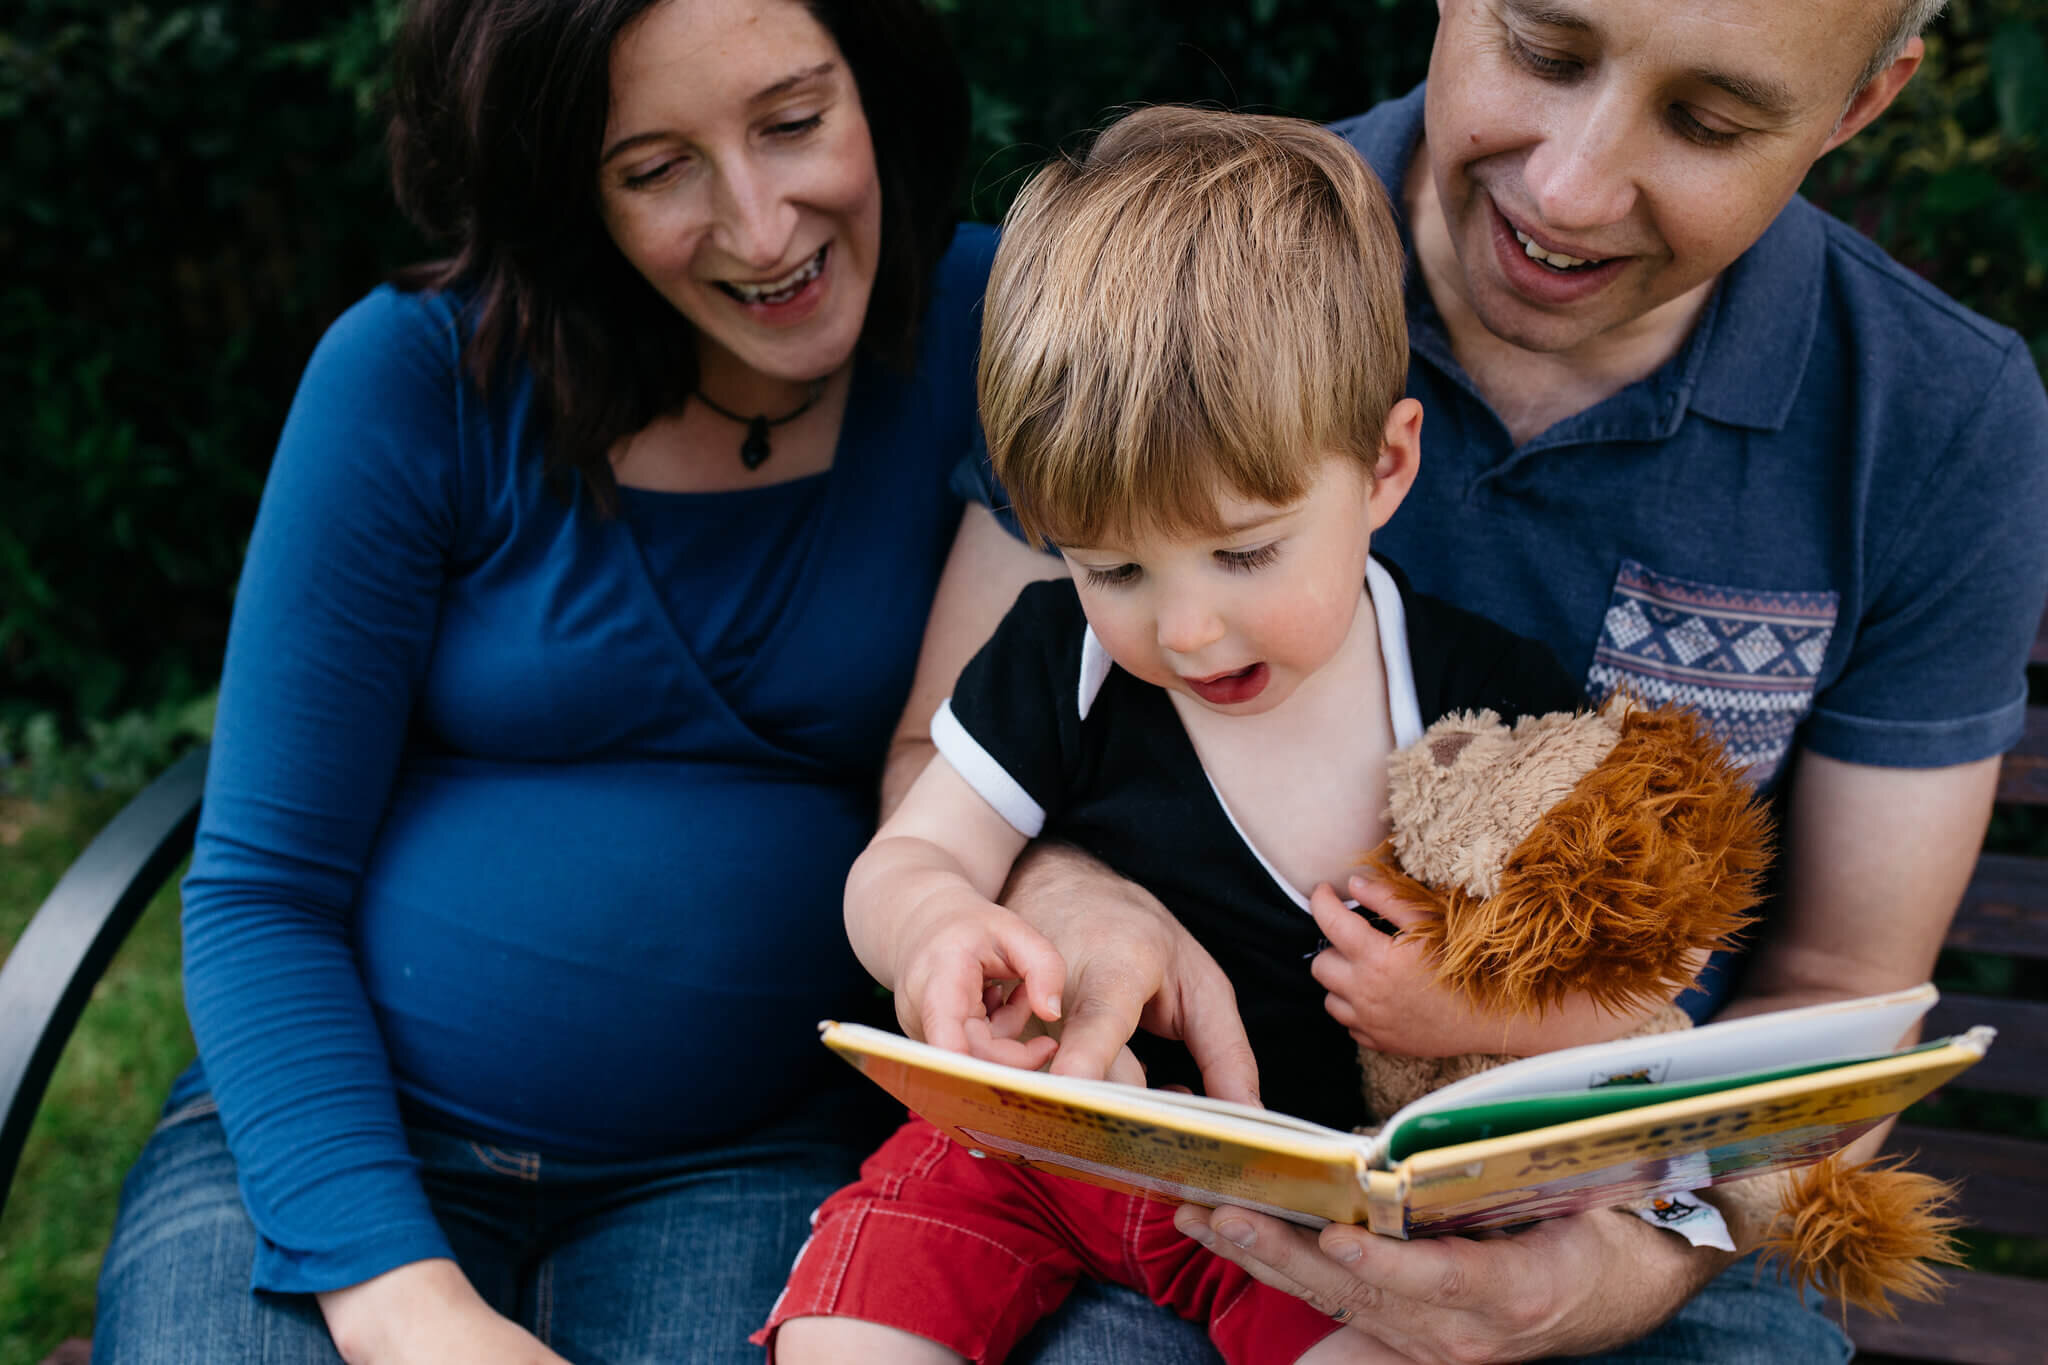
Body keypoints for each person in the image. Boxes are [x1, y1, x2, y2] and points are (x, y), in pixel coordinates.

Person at [904, 0, 2048, 1360]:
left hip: (1647, 1217)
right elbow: (950, 751)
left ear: (1862, 105)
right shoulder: (1172, 273)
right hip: (1170, 1164)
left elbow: (1842, 986)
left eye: (1708, 122)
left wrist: (1619, 1268)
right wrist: (1065, 896)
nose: (1566, 186)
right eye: (1545, 55)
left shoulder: (1931, 415)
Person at [87, 2, 1215, 1362]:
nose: (758, 225)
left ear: (877, 86)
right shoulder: (419, 377)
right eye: (655, 168)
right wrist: (405, 1307)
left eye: (795, 122)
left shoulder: (999, 336)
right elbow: (261, 888)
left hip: (737, 1168)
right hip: (342, 1128)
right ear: (574, 193)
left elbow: (1016, 747)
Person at [762, 105, 1688, 1365]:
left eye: (1244, 550)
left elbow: (1644, 1007)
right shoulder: (1060, 659)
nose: (1187, 630)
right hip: (1041, 1145)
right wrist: (932, 924)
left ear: (1381, 468)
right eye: (1117, 566)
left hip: (1308, 1205)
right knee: (846, 1328)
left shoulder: (1489, 707)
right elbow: (908, 858)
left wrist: (1479, 999)